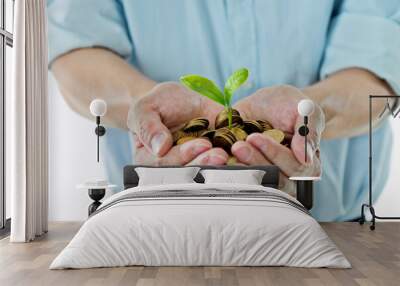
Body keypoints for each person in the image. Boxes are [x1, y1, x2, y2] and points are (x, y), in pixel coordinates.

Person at [47, 0, 400, 221]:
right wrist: (147, 108)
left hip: (331, 225)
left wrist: (308, 119)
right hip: (156, 219)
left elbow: (379, 64)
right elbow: (75, 47)